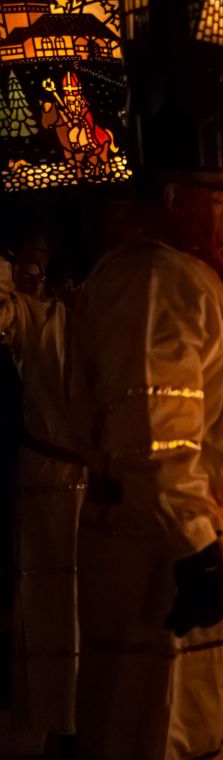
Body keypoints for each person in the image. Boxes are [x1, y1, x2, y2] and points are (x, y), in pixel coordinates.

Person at [69, 163, 223, 760]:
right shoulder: (153, 278)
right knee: (163, 722)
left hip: (218, 538)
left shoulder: (199, 276)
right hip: (164, 550)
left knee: (214, 719)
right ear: (175, 196)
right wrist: (194, 548)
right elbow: (152, 430)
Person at [0, 254, 87, 752]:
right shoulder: (36, 318)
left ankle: (84, 715)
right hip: (49, 485)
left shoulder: (118, 321)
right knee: (48, 604)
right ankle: (56, 718)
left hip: (99, 488)